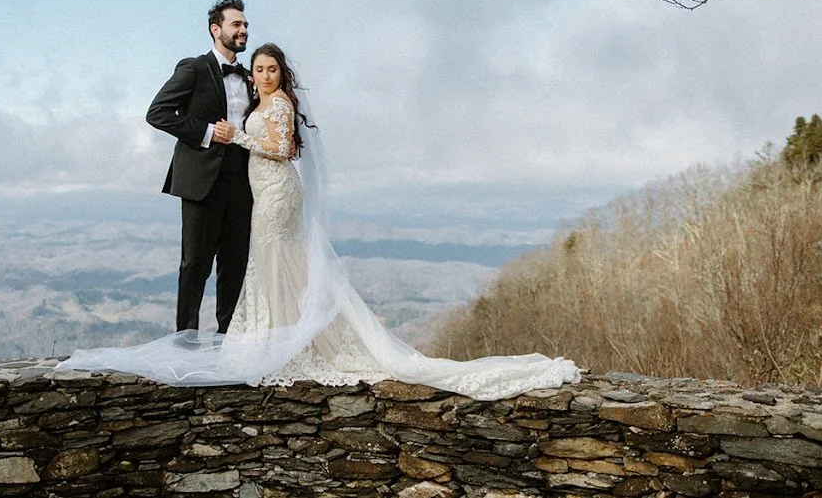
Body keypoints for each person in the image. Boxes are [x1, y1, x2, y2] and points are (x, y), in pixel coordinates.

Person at [58, 43, 579, 401]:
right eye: (258, 69)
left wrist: (236, 136)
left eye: (271, 69)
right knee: (270, 267)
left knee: (276, 261)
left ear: (281, 74)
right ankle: (284, 341)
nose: (263, 76)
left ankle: (288, 347)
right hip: (259, 193)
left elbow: (281, 151)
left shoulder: (278, 105)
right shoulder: (245, 91)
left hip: (277, 194)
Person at [145, 0, 255, 334]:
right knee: (195, 264)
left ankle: (229, 339)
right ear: (215, 29)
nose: (243, 30)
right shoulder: (193, 68)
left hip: (244, 181)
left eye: (245, 24)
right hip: (201, 181)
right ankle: (185, 342)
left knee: (234, 264)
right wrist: (208, 132)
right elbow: (157, 112)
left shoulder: (251, 77)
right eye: (236, 24)